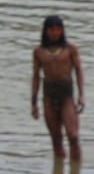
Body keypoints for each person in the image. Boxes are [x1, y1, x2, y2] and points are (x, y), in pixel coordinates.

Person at [31, 15, 84, 161]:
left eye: (58, 30)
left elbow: (78, 71)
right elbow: (36, 76)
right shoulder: (39, 52)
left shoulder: (70, 49)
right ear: (46, 31)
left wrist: (81, 95)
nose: (55, 33)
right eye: (51, 30)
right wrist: (33, 102)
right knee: (56, 138)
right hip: (48, 94)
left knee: (73, 135)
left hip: (66, 94)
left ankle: (76, 168)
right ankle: (59, 170)